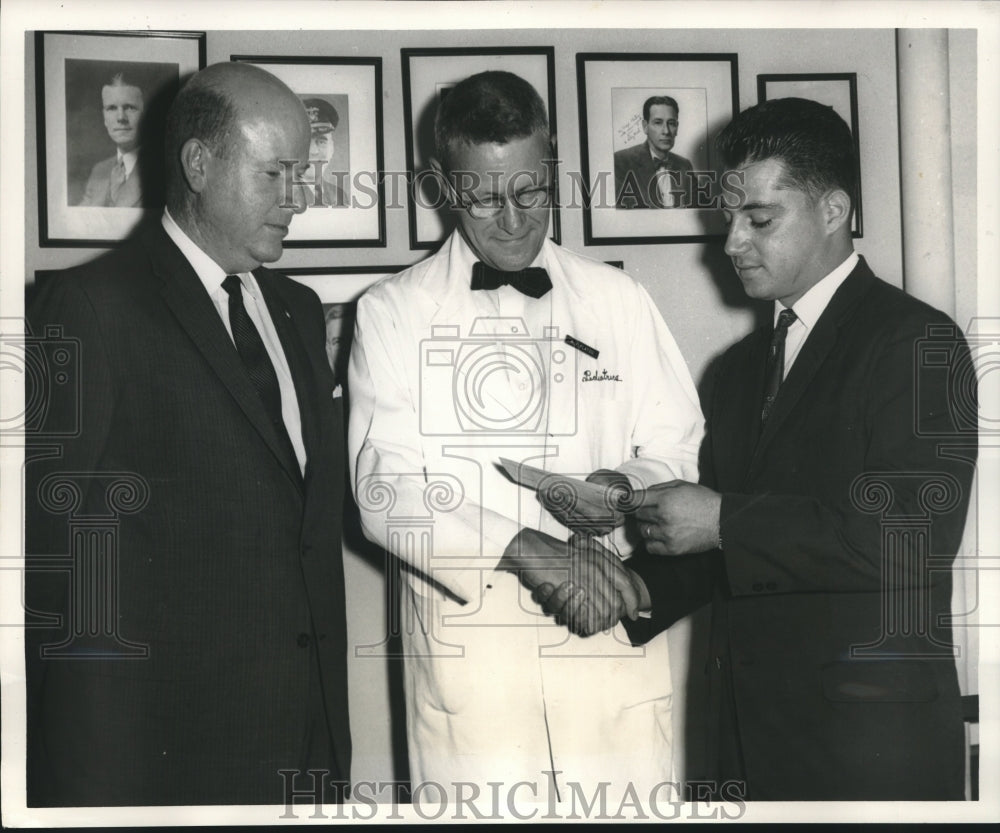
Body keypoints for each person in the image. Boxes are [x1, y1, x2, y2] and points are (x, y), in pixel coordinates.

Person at [542, 97, 977, 800]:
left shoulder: (919, 342)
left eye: (760, 220)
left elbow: (912, 538)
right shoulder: (736, 369)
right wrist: (632, 584)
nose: (733, 242)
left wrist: (721, 520)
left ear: (833, 211)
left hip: (868, 758)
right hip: (741, 747)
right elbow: (726, 552)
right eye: (728, 218)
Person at [348, 70, 703, 804]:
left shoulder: (619, 300)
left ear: (553, 171)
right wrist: (525, 549)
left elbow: (676, 442)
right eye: (482, 197)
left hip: (611, 679)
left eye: (530, 192)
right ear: (442, 185)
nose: (510, 220)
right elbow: (386, 492)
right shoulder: (391, 312)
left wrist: (620, 488)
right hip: (476, 695)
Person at [25, 61, 351, 806]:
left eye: (299, 174)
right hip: (153, 762)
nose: (296, 198)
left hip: (303, 745)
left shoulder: (299, 310)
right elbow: (38, 561)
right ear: (199, 164)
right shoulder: (91, 307)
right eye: (274, 174)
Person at [613, 95, 694, 209]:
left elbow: (697, 210)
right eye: (658, 122)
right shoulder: (621, 161)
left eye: (671, 123)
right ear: (645, 126)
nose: (666, 131)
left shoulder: (685, 165)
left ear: (677, 127)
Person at [79, 72, 146, 207]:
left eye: (130, 107)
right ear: (104, 118)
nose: (121, 117)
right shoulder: (99, 171)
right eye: (112, 108)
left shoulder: (163, 172)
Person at [300, 96, 348, 208]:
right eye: (305, 142)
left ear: (332, 149)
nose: (313, 151)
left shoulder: (340, 196)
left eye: (321, 141)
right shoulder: (282, 195)